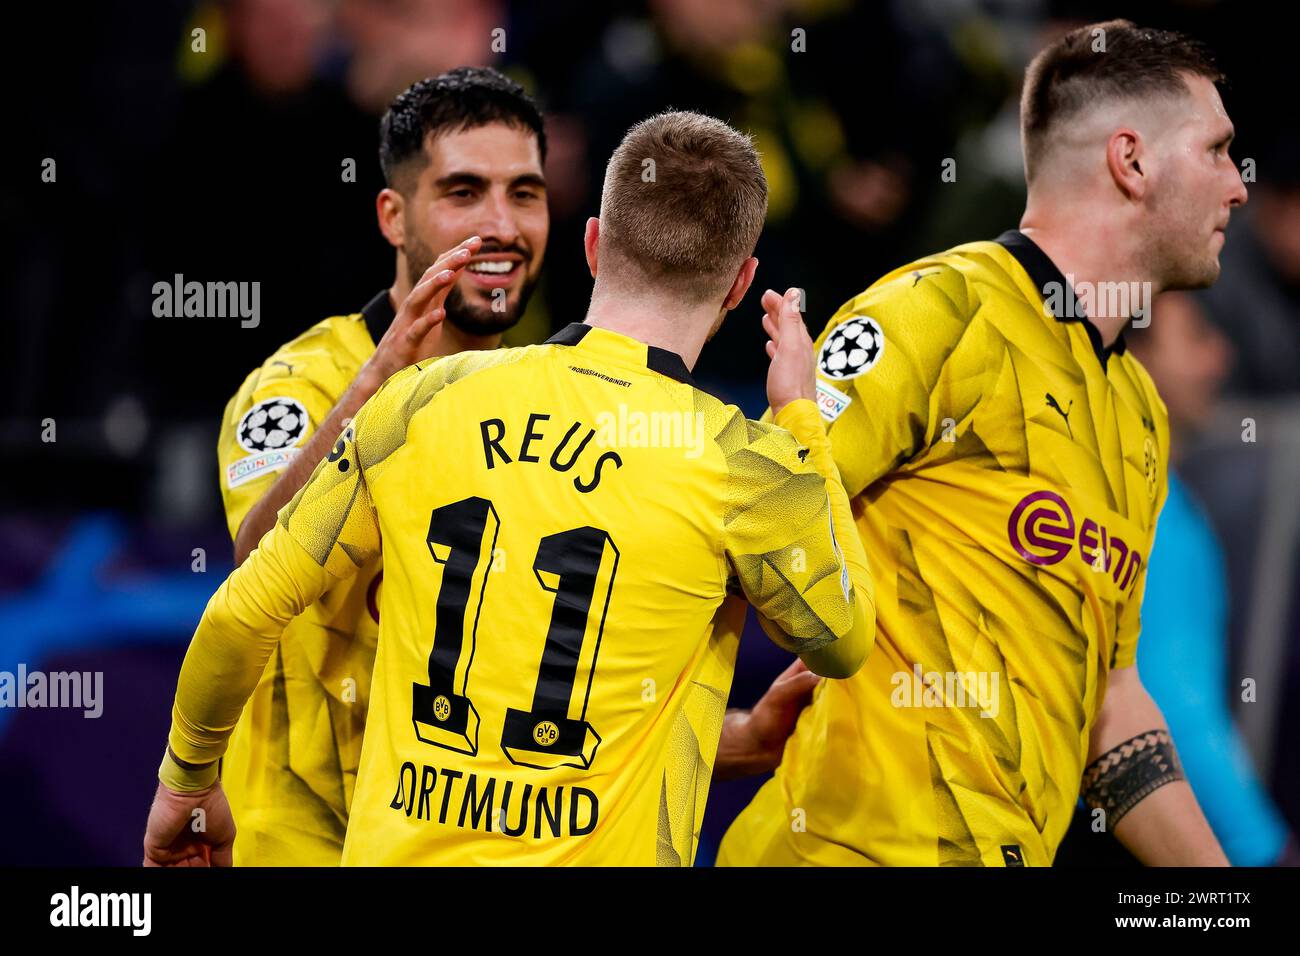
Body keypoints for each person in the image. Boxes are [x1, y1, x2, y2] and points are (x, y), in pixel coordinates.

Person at [144, 110, 873, 866]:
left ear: (593, 245)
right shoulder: (743, 463)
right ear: (742, 283)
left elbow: (240, 609)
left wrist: (187, 781)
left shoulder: (424, 398)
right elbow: (843, 637)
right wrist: (799, 419)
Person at [720, 20, 1244, 866]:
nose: (1238, 186)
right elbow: (731, 523)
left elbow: (1108, 699)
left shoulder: (1139, 412)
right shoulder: (937, 312)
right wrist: (715, 737)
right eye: (1218, 149)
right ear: (1132, 159)